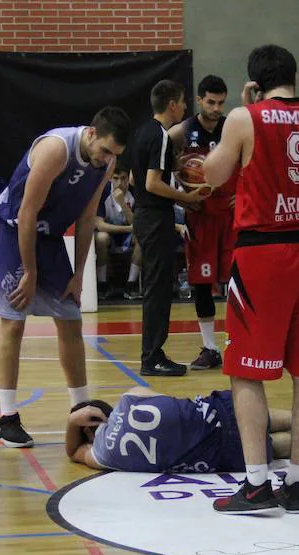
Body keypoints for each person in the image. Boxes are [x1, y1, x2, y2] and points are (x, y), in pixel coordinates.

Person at [203, 45, 299, 515]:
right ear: (296, 75)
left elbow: (211, 175)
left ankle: (256, 483)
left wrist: (238, 113)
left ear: (255, 82)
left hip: (264, 252)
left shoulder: (245, 119)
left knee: (245, 369)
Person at [0, 108, 131, 448]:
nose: (108, 160)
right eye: (106, 150)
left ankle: (81, 411)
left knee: (70, 319)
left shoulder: (106, 164)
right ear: (92, 134)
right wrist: (30, 271)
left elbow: (85, 221)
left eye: (115, 155)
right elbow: (26, 214)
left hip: (50, 238)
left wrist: (80, 274)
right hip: (13, 231)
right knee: (13, 321)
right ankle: (6, 418)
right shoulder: (57, 149)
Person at [66, 387, 299, 472]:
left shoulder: (104, 454)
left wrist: (71, 423)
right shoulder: (129, 397)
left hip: (212, 453)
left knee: (274, 448)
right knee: (264, 418)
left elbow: (74, 453)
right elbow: (160, 398)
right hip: (211, 413)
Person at [130, 80, 208, 377]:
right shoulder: (161, 136)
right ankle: (152, 357)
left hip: (145, 216)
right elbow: (151, 183)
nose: (186, 108)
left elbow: (138, 181)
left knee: (156, 288)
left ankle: (153, 353)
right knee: (158, 291)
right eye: (183, 102)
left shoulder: (142, 132)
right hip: (154, 217)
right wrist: (185, 197)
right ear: (173, 104)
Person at [168, 75, 237, 370]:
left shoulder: (233, 129)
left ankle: (239, 343)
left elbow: (253, 160)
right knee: (201, 283)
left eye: (221, 102)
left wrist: (245, 193)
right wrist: (179, 197)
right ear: (199, 100)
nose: (216, 108)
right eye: (211, 102)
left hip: (231, 215)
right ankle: (210, 349)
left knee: (238, 282)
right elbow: (158, 162)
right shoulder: (181, 132)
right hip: (200, 216)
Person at [95, 164, 141, 300]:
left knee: (143, 237)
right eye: (116, 178)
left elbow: (137, 224)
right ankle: (102, 284)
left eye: (123, 178)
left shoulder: (135, 192)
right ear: (110, 178)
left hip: (129, 234)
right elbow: (100, 225)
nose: (120, 183)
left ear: (129, 178)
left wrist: (122, 204)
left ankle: (130, 284)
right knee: (101, 238)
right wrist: (128, 228)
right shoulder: (102, 192)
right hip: (111, 232)